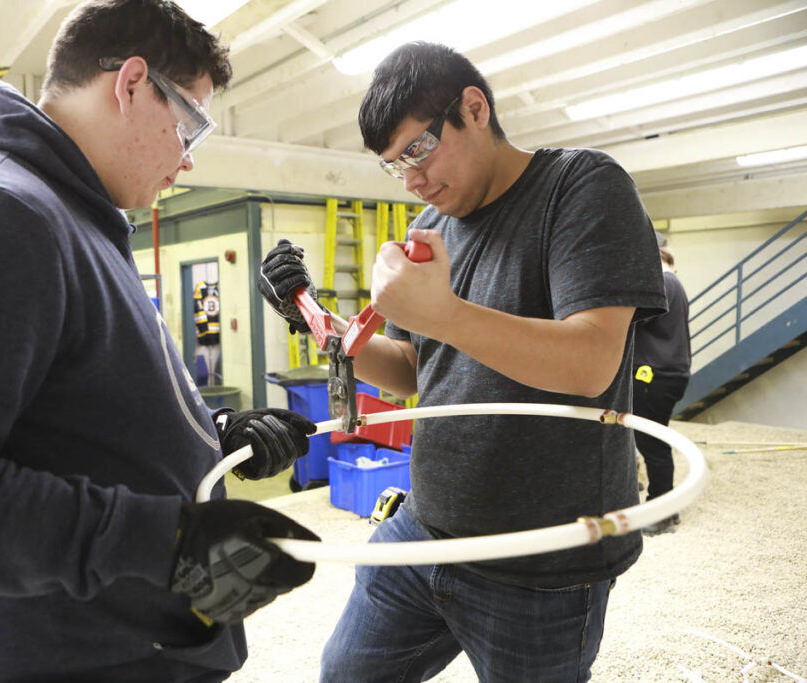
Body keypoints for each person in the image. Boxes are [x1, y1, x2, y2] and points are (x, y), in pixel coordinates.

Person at [0, 2, 319, 681]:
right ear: (132, 84)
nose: (187, 160)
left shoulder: (71, 218)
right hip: (60, 660)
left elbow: (72, 412)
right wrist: (165, 543)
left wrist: (218, 437)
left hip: (123, 644)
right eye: (189, 126)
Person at [259, 42, 666, 683]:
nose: (412, 180)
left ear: (474, 109)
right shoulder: (432, 226)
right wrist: (315, 320)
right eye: (395, 166)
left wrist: (443, 312)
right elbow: (410, 370)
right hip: (425, 525)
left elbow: (591, 363)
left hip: (542, 560)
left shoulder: (581, 187)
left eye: (418, 150)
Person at [633, 237, 691, 535]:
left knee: (652, 444)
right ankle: (669, 507)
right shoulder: (673, 282)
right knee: (654, 441)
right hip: (667, 373)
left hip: (653, 375)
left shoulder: (661, 283)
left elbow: (629, 322)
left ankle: (662, 512)